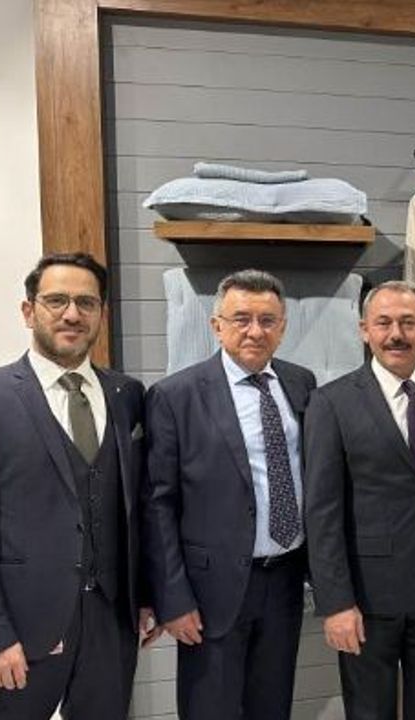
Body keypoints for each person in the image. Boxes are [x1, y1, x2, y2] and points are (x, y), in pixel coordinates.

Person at [0, 252, 158, 719]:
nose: (72, 314)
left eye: (86, 303)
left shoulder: (127, 395)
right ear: (28, 311)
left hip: (111, 624)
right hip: (18, 631)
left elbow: (139, 508)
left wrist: (148, 594)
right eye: (56, 301)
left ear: (101, 314)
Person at [143, 269, 316, 719]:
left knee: (272, 707)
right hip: (209, 591)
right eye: (241, 319)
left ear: (282, 327)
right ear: (216, 325)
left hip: (285, 581)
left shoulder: (302, 384)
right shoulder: (175, 396)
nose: (254, 331)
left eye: (267, 320)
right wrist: (173, 599)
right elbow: (159, 505)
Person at [305, 280, 415, 720]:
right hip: (368, 595)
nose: (396, 334)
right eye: (383, 323)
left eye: (408, 322)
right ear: (364, 330)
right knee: (369, 712)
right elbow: (321, 512)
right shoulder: (331, 402)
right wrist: (336, 602)